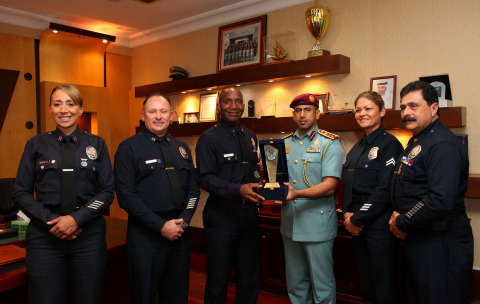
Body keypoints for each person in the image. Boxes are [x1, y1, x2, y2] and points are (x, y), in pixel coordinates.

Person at [13, 83, 115, 304]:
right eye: (57, 104)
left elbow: (107, 191)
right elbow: (20, 192)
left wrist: (76, 220)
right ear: (50, 109)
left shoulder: (97, 144)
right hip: (45, 237)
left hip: (88, 237)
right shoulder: (36, 144)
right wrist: (55, 222)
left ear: (80, 109)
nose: (63, 110)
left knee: (89, 297)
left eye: (70, 104)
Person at [389, 81, 473, 304]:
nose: (406, 112)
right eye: (403, 107)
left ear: (434, 108)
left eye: (414, 106)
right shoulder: (420, 140)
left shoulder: (442, 144)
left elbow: (439, 199)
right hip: (421, 237)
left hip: (441, 240)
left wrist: (403, 220)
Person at [114, 93, 200, 304]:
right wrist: (161, 225)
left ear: (171, 116)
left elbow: (193, 190)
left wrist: (185, 220)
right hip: (146, 235)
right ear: (143, 116)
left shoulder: (181, 149)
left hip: (180, 233)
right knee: (144, 295)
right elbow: (126, 196)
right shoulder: (128, 148)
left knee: (177, 295)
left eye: (163, 112)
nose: (158, 116)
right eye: (153, 111)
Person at [196, 87, 265, 304]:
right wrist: (238, 189)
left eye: (238, 101)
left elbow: (253, 169)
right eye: (228, 101)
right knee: (218, 276)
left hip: (249, 214)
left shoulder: (250, 136)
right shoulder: (209, 139)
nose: (233, 106)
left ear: (244, 105)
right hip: (222, 215)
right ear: (219, 107)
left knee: (250, 276)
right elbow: (205, 178)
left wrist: (261, 182)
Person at [342, 91, 403, 304]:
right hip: (357, 222)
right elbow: (348, 183)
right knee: (365, 283)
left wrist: (357, 218)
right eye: (358, 110)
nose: (362, 114)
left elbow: (384, 189)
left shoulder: (390, 145)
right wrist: (347, 214)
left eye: (368, 109)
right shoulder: (358, 147)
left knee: (382, 284)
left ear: (382, 111)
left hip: (377, 224)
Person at [282, 93, 343, 304]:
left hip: (317, 225)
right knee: (296, 286)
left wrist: (296, 194)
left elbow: (329, 186)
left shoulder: (329, 143)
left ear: (318, 113)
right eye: (298, 110)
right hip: (290, 224)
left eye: (307, 110)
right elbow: (280, 181)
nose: (302, 115)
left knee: (322, 287)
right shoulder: (284, 143)